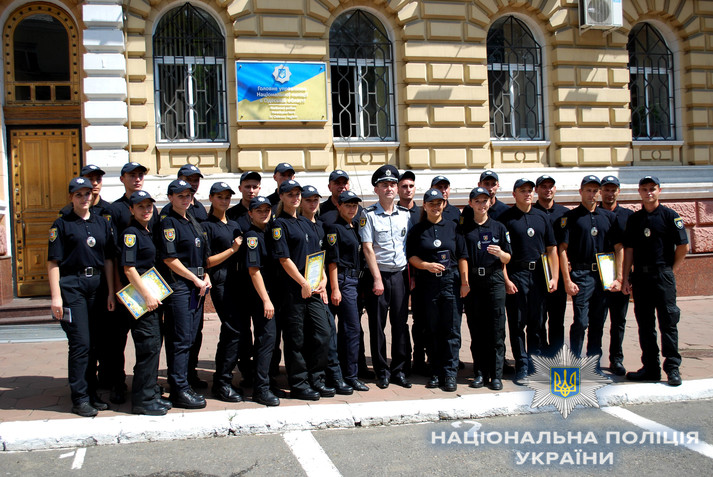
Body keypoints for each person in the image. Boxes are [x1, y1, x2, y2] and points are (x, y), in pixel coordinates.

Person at [48, 177, 116, 417]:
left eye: (87, 193)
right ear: (71, 197)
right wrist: (56, 297)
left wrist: (111, 291)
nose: (84, 198)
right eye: (79, 194)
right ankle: (79, 397)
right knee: (80, 343)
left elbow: (108, 259)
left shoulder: (101, 222)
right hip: (73, 286)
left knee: (96, 343)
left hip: (97, 286)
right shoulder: (62, 224)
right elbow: (53, 262)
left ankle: (91, 393)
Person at [623, 176, 688, 387]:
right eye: (644, 189)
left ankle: (672, 368)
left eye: (652, 188)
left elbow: (683, 246)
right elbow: (629, 250)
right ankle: (650, 368)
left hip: (662, 275)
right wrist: (626, 277)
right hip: (641, 277)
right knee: (645, 324)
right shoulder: (635, 219)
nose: (648, 192)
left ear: (659, 190)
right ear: (639, 192)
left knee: (668, 322)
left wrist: (671, 271)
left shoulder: (670, 216)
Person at [104, 162, 160, 404]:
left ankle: (145, 385)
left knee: (148, 342)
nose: (137, 178)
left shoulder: (150, 213)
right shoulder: (115, 210)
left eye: (140, 175)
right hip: (126, 287)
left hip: (146, 286)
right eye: (132, 175)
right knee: (118, 340)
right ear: (122, 178)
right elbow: (115, 255)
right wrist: (115, 289)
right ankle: (118, 384)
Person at [271, 179, 331, 400]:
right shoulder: (279, 225)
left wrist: (323, 278)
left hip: (313, 289)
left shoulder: (306, 223)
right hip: (292, 290)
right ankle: (299, 384)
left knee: (322, 333)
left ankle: (317, 379)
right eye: (290, 194)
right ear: (281, 196)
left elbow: (317, 255)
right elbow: (284, 259)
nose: (295, 198)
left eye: (298, 194)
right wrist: (302, 283)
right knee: (296, 339)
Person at [558, 175, 623, 367]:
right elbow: (562, 249)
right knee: (581, 321)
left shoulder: (609, 217)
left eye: (595, 191)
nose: (592, 194)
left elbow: (618, 248)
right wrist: (567, 280)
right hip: (581, 274)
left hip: (603, 276)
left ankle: (593, 364)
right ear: (581, 192)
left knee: (598, 322)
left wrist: (619, 278)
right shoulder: (570, 218)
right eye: (588, 190)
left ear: (599, 193)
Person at [499, 178, 559, 384]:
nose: (527, 194)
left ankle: (535, 362)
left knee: (537, 323)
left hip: (539, 276)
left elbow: (551, 249)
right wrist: (506, 279)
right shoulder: (506, 219)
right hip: (517, 274)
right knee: (517, 324)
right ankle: (522, 364)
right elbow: (501, 255)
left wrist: (554, 277)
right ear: (514, 194)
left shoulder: (542, 217)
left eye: (530, 190)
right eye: (522, 190)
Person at [407, 188, 466, 392]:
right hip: (428, 283)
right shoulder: (417, 230)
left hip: (450, 281)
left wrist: (465, 282)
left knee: (451, 329)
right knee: (431, 329)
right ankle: (435, 370)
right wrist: (426, 265)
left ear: (444, 204)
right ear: (424, 206)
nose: (435, 207)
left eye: (439, 203)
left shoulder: (453, 227)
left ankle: (450, 373)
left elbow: (462, 256)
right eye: (431, 203)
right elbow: (411, 256)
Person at [159, 179, 212, 409]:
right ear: (170, 197)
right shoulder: (169, 223)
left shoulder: (191, 221)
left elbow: (202, 255)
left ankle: (185, 382)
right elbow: (170, 259)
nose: (185, 199)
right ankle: (178, 389)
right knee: (180, 339)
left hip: (196, 286)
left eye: (188, 195)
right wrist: (194, 278)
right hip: (181, 286)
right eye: (180, 195)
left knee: (189, 336)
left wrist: (206, 276)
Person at [118, 190, 171, 415]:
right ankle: (142, 400)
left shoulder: (147, 231)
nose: (146, 210)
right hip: (142, 300)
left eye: (149, 206)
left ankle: (150, 392)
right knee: (148, 346)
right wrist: (147, 295)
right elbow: (129, 269)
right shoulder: (131, 233)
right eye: (140, 206)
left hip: (152, 299)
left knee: (153, 345)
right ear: (131, 210)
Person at [360, 165, 413, 389]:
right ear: (376, 189)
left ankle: (398, 370)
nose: (389, 188)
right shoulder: (368, 215)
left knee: (400, 324)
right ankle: (381, 371)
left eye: (392, 184)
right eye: (384, 185)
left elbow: (409, 248)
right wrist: (377, 279)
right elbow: (368, 248)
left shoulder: (405, 215)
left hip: (399, 275)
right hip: (378, 275)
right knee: (377, 325)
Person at [300, 185, 353, 396]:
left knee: (327, 333)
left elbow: (326, 258)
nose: (313, 203)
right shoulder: (297, 225)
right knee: (312, 336)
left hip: (320, 287)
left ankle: (331, 376)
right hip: (301, 288)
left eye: (315, 200)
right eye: (308, 199)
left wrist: (323, 282)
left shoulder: (323, 226)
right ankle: (314, 378)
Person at [460, 187, 511, 391]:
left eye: (485, 201)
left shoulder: (499, 227)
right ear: (471, 203)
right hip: (474, 281)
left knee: (497, 329)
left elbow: (508, 257)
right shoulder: (465, 229)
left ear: (490, 203)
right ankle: (480, 372)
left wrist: (500, 254)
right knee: (477, 329)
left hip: (494, 279)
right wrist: (465, 283)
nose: (481, 205)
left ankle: (496, 375)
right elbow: (463, 257)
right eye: (477, 201)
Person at [203, 182, 245, 403]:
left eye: (227, 197)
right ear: (211, 198)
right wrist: (232, 249)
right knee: (232, 330)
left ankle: (225, 379)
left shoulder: (234, 224)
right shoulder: (206, 226)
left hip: (237, 282)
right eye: (219, 197)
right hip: (221, 282)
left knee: (235, 331)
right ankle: (221, 383)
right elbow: (207, 261)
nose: (224, 201)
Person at [325, 190, 370, 392]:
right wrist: (335, 289)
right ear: (339, 206)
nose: (352, 209)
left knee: (349, 330)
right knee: (351, 329)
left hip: (355, 281)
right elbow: (332, 261)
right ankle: (350, 376)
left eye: (354, 205)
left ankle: (344, 373)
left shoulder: (355, 227)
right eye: (348, 205)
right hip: (343, 281)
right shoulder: (335, 228)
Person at [241, 196, 280, 406]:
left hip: (273, 292)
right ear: (250, 213)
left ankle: (268, 382)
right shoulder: (252, 237)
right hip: (261, 296)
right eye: (259, 210)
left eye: (266, 210)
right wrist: (266, 300)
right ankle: (260, 389)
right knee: (266, 339)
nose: (264, 213)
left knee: (271, 340)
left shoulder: (269, 232)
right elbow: (254, 271)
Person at [599, 175, 634, 376]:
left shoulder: (628, 216)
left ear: (618, 191)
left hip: (621, 275)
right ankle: (594, 358)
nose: (610, 193)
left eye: (613, 190)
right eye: (606, 189)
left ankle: (616, 359)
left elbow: (631, 248)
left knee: (618, 320)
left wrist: (624, 277)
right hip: (598, 275)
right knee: (597, 320)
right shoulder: (594, 213)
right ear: (601, 192)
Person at [533, 175, 569, 354]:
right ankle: (540, 354)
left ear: (555, 189)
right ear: (537, 190)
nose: (547, 190)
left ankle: (556, 353)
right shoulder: (531, 212)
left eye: (550, 186)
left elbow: (568, 243)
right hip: (538, 272)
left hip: (558, 271)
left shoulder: (565, 213)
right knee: (538, 318)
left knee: (557, 318)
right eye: (543, 186)